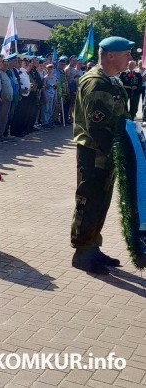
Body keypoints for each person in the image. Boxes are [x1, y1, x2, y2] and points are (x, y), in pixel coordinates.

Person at [71, 36, 133, 275]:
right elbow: (98, 129)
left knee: (101, 202)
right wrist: (120, 154)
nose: (130, 58)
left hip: (108, 154)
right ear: (110, 56)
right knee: (89, 202)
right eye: (126, 54)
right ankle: (82, 253)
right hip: (94, 153)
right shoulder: (96, 83)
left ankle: (93, 247)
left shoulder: (112, 82)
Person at [41, 63, 58, 129]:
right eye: (49, 69)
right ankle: (44, 122)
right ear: (47, 69)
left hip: (53, 95)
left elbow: (56, 87)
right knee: (46, 109)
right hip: (47, 95)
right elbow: (44, 88)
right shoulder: (45, 78)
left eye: (52, 68)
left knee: (51, 109)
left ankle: (49, 122)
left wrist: (56, 96)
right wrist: (45, 96)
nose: (50, 70)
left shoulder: (55, 77)